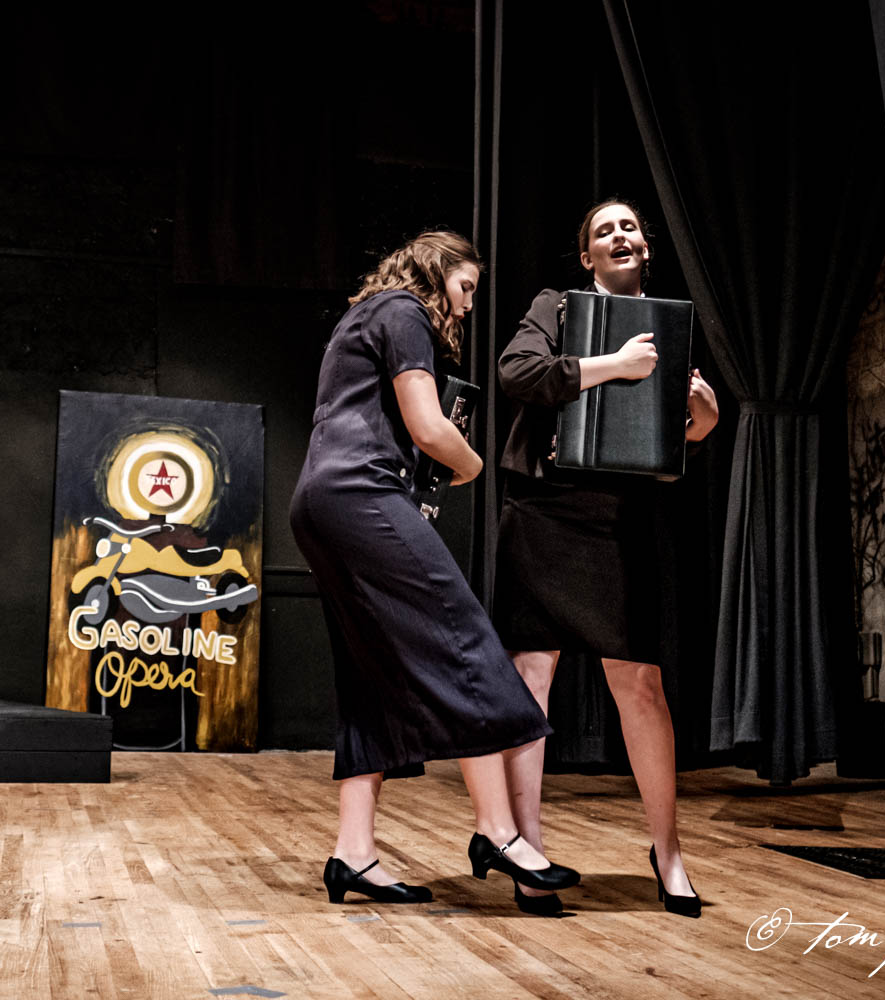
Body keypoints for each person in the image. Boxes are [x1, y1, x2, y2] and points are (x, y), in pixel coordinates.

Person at [290, 231, 579, 914]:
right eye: (466, 287)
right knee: (464, 639)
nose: (469, 304)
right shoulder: (404, 311)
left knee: (368, 678)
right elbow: (427, 426)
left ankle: (353, 852)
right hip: (361, 493)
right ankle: (497, 831)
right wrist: (470, 465)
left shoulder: (362, 315)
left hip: (318, 500)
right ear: (435, 270)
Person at [494, 199, 719, 918]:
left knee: (641, 685)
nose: (619, 236)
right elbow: (517, 372)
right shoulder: (557, 306)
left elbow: (667, 441)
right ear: (587, 255)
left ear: (645, 246)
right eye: (603, 231)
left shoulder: (669, 323)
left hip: (622, 515)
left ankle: (669, 853)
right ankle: (528, 855)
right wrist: (613, 366)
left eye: (629, 227)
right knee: (531, 678)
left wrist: (702, 423)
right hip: (545, 508)